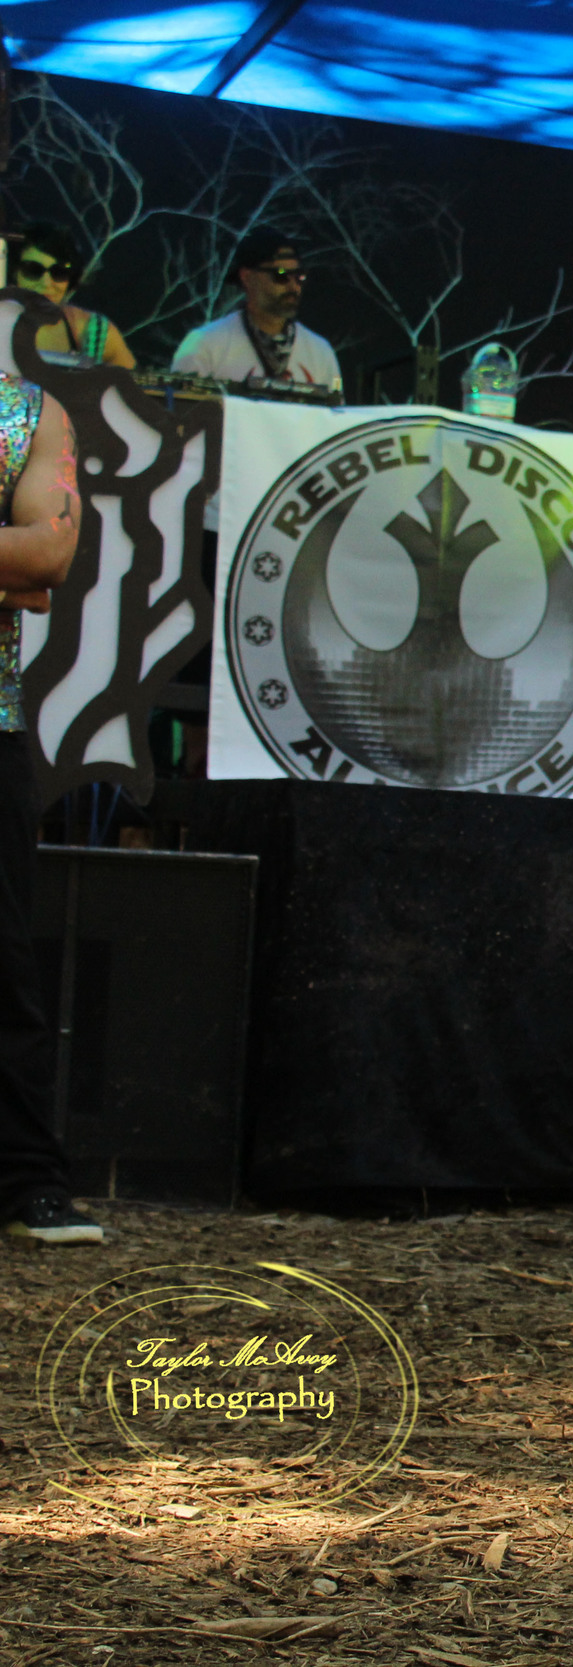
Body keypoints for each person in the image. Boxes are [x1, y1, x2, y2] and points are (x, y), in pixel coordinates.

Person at [0, 365, 98, 1243]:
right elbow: (14, 565)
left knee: (4, 966)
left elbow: (46, 558)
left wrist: (22, 564)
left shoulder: (26, 412)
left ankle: (28, 1180)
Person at [170, 230, 341, 392]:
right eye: (280, 274)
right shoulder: (205, 345)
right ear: (247, 277)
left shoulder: (320, 352)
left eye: (299, 276)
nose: (293, 286)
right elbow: (182, 414)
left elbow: (338, 418)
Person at [10, 224, 136, 370]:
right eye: (33, 270)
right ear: (13, 272)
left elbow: (131, 388)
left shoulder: (96, 331)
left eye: (58, 272)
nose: (46, 283)